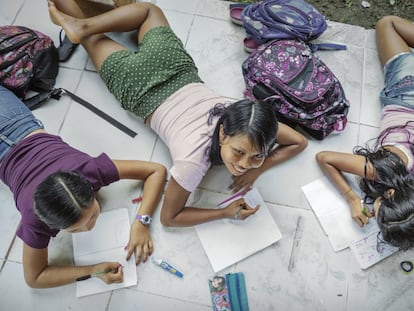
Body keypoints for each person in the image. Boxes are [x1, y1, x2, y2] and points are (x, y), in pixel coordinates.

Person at [48, 0, 308, 227]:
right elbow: (170, 218)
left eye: (256, 157)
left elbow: (299, 141)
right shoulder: (193, 163)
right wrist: (222, 213)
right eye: (239, 153)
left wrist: (257, 170)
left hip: (174, 65)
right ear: (223, 132)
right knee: (92, 38)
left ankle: (89, 22)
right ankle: (84, 26)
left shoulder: (246, 117)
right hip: (138, 88)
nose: (242, 165)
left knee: (146, 11)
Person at [0, 85, 166, 288]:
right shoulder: (33, 218)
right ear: (50, 225)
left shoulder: (89, 169)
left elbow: (156, 170)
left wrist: (142, 222)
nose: (90, 227)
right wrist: (92, 270)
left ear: (89, 184)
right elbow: (34, 278)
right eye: (76, 230)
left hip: (16, 121)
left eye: (93, 216)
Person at [316, 15, 414, 250]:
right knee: (386, 24)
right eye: (380, 217)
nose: (374, 216)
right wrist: (350, 197)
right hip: (408, 91)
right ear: (390, 194)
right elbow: (324, 158)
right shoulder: (381, 169)